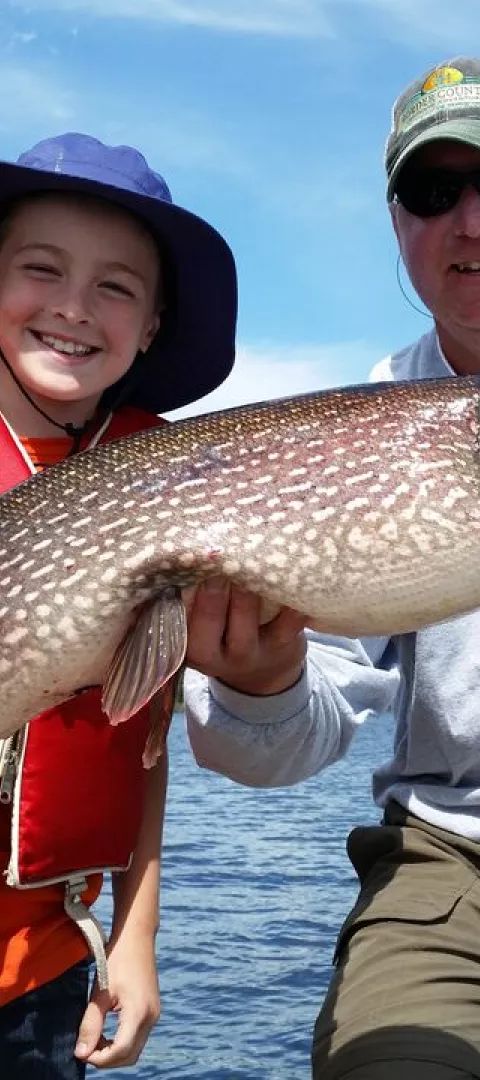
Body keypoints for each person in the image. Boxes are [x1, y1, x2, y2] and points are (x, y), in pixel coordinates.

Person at [183, 56, 480, 1079]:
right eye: (435, 192)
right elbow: (282, 746)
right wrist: (258, 684)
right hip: (451, 865)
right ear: (398, 220)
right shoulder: (357, 431)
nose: (471, 223)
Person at [0, 132, 236, 1076]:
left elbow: (139, 740)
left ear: (150, 327)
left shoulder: (167, 476)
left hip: (44, 977)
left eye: (114, 287)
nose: (71, 307)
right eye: (40, 269)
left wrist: (134, 940)